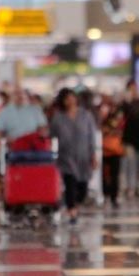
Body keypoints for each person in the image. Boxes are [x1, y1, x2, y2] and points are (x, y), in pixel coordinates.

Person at [49, 88, 98, 224]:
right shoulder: (58, 117)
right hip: (66, 157)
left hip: (83, 156)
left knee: (82, 188)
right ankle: (72, 212)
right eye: (66, 99)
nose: (70, 101)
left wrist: (93, 155)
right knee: (70, 184)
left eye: (71, 97)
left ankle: (74, 205)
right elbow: (51, 136)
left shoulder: (86, 116)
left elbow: (91, 137)